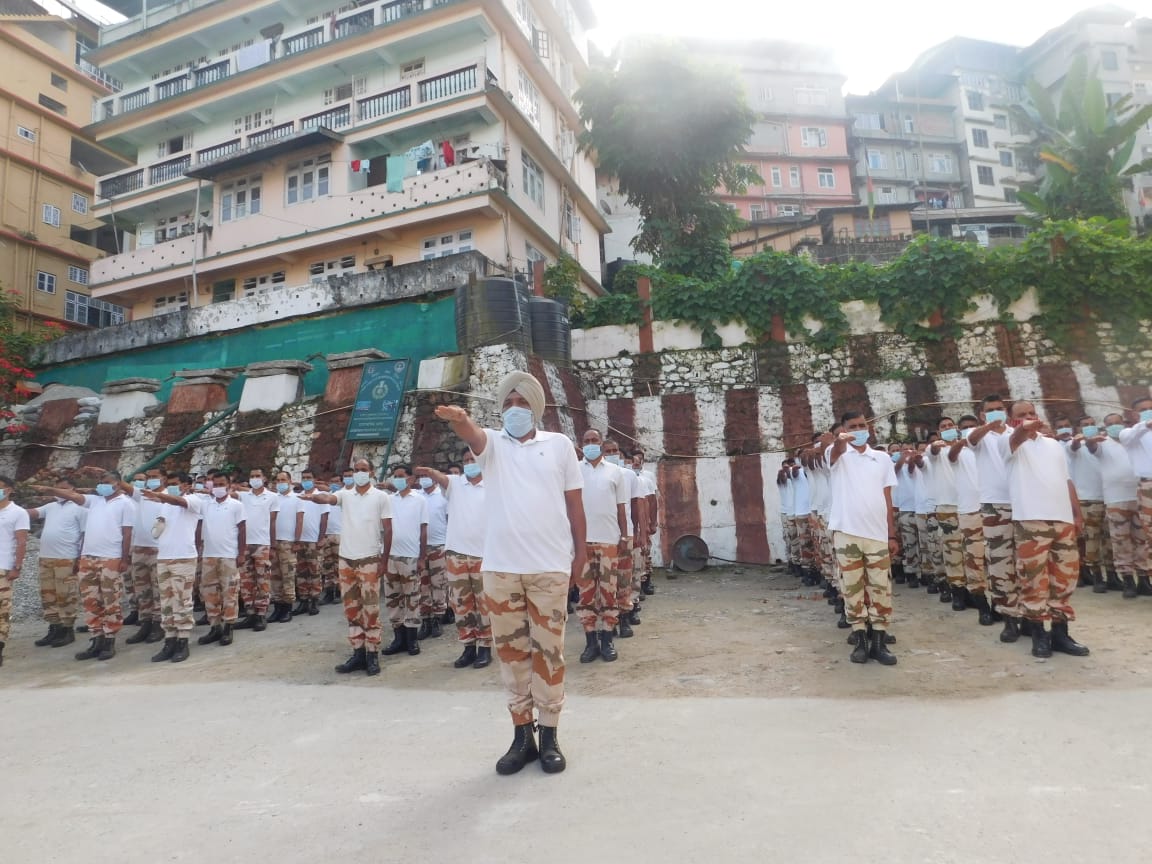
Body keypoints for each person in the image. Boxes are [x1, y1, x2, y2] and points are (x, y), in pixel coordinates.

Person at [435, 370, 585, 776]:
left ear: (536, 407)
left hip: (549, 568)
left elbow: (574, 505)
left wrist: (580, 557)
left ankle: (550, 734)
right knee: (513, 656)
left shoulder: (559, 445)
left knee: (549, 654)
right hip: (501, 571)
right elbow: (472, 434)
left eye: (522, 403)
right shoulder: (493, 445)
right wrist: (460, 419)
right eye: (508, 403)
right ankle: (523, 737)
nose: (514, 410)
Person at [1005, 401, 1088, 658]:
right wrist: (1023, 429)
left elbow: (1066, 479)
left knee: (1064, 578)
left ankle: (1061, 633)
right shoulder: (1009, 439)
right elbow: (1017, 437)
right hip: (1031, 520)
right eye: (1021, 415)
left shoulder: (1053, 444)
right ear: (1012, 420)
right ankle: (1038, 632)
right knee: (1033, 579)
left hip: (1061, 518)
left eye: (1031, 413)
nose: (1029, 417)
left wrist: (1076, 513)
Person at [37, 472, 134, 662]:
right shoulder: (95, 501)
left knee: (110, 600)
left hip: (110, 558)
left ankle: (109, 641)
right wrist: (50, 490)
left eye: (106, 483)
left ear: (118, 485)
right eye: (100, 482)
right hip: (88, 558)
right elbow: (73, 496)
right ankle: (96, 638)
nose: (102, 485)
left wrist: (124, 559)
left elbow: (127, 533)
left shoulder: (125, 504)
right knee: (90, 601)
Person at [308, 458, 392, 676]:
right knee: (352, 608)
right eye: (356, 470)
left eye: (364, 470)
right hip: (347, 559)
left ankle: (372, 654)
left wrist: (384, 560)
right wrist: (315, 497)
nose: (359, 473)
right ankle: (358, 652)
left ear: (372, 472)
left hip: (370, 559)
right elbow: (328, 497)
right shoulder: (346, 495)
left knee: (371, 608)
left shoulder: (381, 497)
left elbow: (388, 529)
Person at [827, 412, 899, 666]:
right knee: (852, 588)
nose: (858, 430)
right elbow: (834, 452)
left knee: (881, 588)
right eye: (852, 427)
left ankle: (879, 641)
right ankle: (859, 639)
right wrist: (840, 440)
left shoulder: (881, 458)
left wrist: (891, 533)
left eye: (862, 425)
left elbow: (888, 498)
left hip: (877, 534)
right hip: (847, 533)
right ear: (844, 430)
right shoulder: (837, 455)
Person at [415, 454, 492, 670]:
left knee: (483, 605)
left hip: (483, 555)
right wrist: (430, 472)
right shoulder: (456, 484)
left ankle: (485, 647)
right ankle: (468, 646)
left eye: (473, 459)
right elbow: (442, 477)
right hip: (456, 554)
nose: (469, 463)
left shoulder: (493, 483)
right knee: (461, 604)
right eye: (466, 460)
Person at [967, 394, 1019, 642]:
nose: (997, 413)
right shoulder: (979, 435)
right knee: (1000, 564)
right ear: (982, 414)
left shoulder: (1014, 432)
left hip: (1022, 502)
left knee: (1025, 563)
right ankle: (1008, 617)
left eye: (1000, 409)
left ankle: (1030, 616)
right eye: (991, 410)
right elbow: (972, 439)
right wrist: (989, 425)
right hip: (994, 506)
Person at [576, 429, 628, 663]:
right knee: (586, 595)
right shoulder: (574, 470)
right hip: (581, 542)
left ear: (601, 443)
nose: (590, 444)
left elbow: (621, 509)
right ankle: (590, 643)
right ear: (581, 444)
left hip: (609, 540)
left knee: (609, 593)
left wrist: (625, 538)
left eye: (594, 440)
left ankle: (607, 640)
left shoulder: (616, 472)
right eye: (586, 441)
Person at [142, 471, 205, 663]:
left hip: (183, 558)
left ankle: (183, 641)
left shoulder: (194, 500)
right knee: (166, 601)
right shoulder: (165, 506)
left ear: (187, 485)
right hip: (164, 557)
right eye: (169, 484)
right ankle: (169, 639)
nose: (172, 487)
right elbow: (160, 526)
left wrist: (160, 495)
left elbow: (179, 502)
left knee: (182, 601)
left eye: (176, 483)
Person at [25, 478, 85, 648]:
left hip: (66, 558)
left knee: (65, 594)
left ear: (73, 488)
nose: (59, 492)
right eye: (57, 488)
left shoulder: (80, 508)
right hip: (46, 557)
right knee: (48, 594)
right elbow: (32, 513)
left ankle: (67, 630)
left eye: (64, 488)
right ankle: (54, 627)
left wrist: (80, 558)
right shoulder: (51, 507)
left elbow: (85, 534)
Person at [1092, 414, 1146, 596]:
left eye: (1118, 423)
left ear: (1124, 423)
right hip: (1116, 499)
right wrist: (1090, 440)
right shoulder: (1101, 443)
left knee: (1142, 540)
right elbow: (1091, 447)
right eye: (1110, 424)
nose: (1115, 426)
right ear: (1105, 427)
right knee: (1121, 541)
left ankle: (1144, 579)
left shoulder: (1132, 439)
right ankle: (1128, 581)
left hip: (1139, 496)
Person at [379, 464, 427, 658]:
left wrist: (422, 557)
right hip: (390, 555)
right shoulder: (388, 500)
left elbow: (424, 530)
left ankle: (411, 638)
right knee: (392, 598)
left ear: (411, 479)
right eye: (395, 476)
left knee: (412, 598)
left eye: (401, 476)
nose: (398, 479)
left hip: (410, 556)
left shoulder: (420, 500)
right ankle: (398, 638)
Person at [951, 415, 993, 624]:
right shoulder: (959, 452)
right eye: (965, 428)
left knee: (998, 560)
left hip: (993, 509)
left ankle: (1001, 605)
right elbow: (951, 454)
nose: (969, 430)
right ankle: (981, 605)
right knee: (974, 560)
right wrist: (961, 442)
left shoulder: (991, 448)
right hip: (969, 512)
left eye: (972, 427)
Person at [197, 469, 246, 647]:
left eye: (221, 484)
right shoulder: (206, 504)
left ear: (228, 485)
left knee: (229, 593)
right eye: (214, 484)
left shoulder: (236, 505)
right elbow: (199, 526)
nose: (217, 488)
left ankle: (229, 626)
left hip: (228, 556)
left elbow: (242, 530)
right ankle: (214, 626)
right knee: (210, 593)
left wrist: (241, 553)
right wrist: (198, 548)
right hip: (209, 555)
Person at [603, 438, 644, 635]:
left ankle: (625, 619)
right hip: (603, 537)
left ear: (619, 453)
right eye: (607, 451)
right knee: (604, 583)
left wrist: (638, 532)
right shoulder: (589, 474)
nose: (612, 454)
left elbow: (636, 506)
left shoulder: (629, 476)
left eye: (614, 450)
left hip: (625, 535)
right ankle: (609, 622)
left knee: (624, 580)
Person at [123, 469, 166, 645]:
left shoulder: (167, 497)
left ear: (164, 478)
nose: (151, 480)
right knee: (142, 590)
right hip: (140, 549)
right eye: (149, 478)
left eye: (155, 477)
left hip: (158, 550)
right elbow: (124, 486)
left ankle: (158, 624)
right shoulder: (141, 495)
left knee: (158, 590)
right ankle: (145, 622)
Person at [1065, 415, 1107, 590]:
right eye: (1085, 425)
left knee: (1108, 540)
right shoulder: (1074, 446)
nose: (1089, 427)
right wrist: (1078, 439)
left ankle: (1111, 575)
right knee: (1091, 540)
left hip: (1107, 497)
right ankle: (1095, 575)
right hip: (1086, 499)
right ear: (1078, 429)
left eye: (1092, 424)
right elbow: (1072, 446)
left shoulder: (1103, 444)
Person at [236, 468, 279, 631]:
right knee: (246, 580)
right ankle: (250, 613)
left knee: (262, 580)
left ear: (264, 478)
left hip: (262, 543)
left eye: (258, 476)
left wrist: (273, 545)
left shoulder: (272, 497)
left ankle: (261, 614)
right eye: (252, 476)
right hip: (245, 543)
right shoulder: (243, 496)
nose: (255, 479)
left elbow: (273, 522)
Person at [1119, 396, 1152, 588]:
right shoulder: (1129, 433)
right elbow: (1132, 435)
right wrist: (1146, 423)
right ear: (1134, 414)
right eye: (1144, 409)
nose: (1149, 411)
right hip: (1147, 487)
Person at [0, 476, 29, 668]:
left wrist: (17, 567)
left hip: (3, 567)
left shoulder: (18, 512)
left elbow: (21, 542)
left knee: (1, 610)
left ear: (9, 490)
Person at [417, 470, 449, 639]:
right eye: (422, 476)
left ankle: (438, 618)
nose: (424, 479)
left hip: (439, 546)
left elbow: (449, 520)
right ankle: (426, 619)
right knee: (423, 585)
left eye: (427, 476)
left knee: (439, 584)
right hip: (420, 548)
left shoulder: (443, 496)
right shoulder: (417, 496)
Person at [292, 467, 328, 617]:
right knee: (301, 572)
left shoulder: (321, 496)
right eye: (304, 478)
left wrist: (321, 538)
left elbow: (324, 518)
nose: (306, 481)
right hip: (300, 540)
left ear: (314, 480)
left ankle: (314, 599)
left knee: (314, 571)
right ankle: (303, 600)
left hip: (314, 540)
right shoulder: (297, 496)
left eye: (309, 478)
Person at [268, 469, 303, 623]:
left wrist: (297, 541)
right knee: (275, 577)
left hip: (289, 542)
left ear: (290, 481)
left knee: (288, 576)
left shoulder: (297, 499)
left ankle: (287, 608)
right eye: (278, 480)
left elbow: (300, 521)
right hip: (274, 542)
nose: (280, 483)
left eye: (283, 480)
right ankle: (277, 608)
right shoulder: (273, 498)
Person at [318, 471, 349, 604]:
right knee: (327, 565)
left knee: (340, 565)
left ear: (341, 482)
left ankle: (340, 591)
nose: (334, 484)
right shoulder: (326, 496)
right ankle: (329, 592)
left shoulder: (345, 495)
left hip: (340, 533)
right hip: (327, 534)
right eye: (332, 482)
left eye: (337, 481)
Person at [893, 444, 921, 588]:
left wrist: (913, 458)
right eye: (904, 449)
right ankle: (911, 572)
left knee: (923, 543)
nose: (908, 450)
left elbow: (912, 469)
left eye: (910, 448)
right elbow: (896, 469)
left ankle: (926, 573)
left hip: (921, 508)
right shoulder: (895, 465)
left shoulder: (920, 463)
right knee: (909, 543)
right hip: (906, 509)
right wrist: (902, 458)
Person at [631, 446, 659, 594]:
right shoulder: (626, 475)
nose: (637, 462)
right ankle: (636, 587)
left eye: (640, 460)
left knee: (645, 552)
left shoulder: (647, 476)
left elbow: (652, 500)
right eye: (635, 460)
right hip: (631, 523)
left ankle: (646, 582)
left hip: (645, 520)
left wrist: (652, 522)